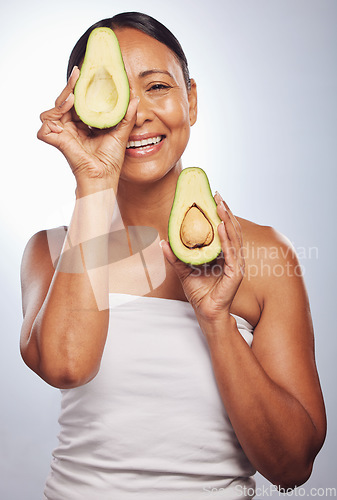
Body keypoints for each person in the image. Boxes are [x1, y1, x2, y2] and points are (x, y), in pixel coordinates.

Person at [20, 11, 326, 500]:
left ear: (192, 100)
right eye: (114, 90)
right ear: (80, 109)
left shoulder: (267, 254)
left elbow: (292, 466)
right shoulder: (50, 251)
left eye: (157, 86)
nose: (137, 113)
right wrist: (95, 181)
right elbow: (67, 367)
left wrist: (216, 319)